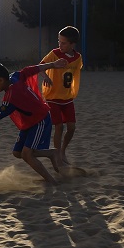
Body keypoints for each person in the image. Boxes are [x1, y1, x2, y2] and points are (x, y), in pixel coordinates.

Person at [0, 61, 67, 184]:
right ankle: (51, 153)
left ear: (1, 80)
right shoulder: (15, 76)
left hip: (40, 120)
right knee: (17, 153)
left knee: (27, 155)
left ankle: (51, 181)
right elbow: (32, 69)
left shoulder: (11, 96)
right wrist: (52, 65)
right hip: (29, 122)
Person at [39, 26, 83, 165]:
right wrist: (46, 76)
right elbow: (40, 67)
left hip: (67, 98)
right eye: (59, 41)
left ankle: (63, 150)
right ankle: (57, 154)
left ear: (72, 44)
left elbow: (75, 72)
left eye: (63, 43)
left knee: (71, 127)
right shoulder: (54, 54)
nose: (60, 45)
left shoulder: (77, 58)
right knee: (59, 127)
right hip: (53, 98)